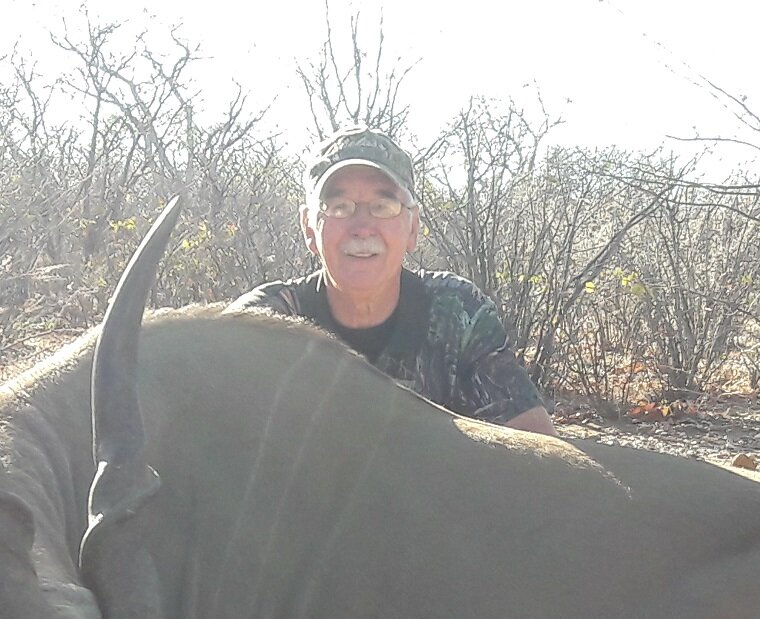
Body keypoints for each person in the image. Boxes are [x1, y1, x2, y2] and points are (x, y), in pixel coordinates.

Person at [228, 127, 559, 436]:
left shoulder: (458, 313)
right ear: (309, 228)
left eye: (383, 206)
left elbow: (537, 449)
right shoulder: (263, 324)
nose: (362, 227)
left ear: (412, 227)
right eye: (338, 207)